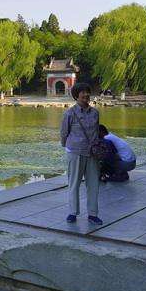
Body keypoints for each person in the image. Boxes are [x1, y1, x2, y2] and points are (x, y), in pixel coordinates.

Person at [60, 82, 102, 225]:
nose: (86, 95)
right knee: (74, 184)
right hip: (75, 152)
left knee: (93, 184)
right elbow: (64, 133)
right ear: (76, 95)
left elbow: (97, 131)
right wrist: (69, 148)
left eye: (87, 92)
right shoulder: (69, 113)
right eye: (82, 92)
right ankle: (73, 212)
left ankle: (93, 214)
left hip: (92, 153)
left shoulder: (95, 113)